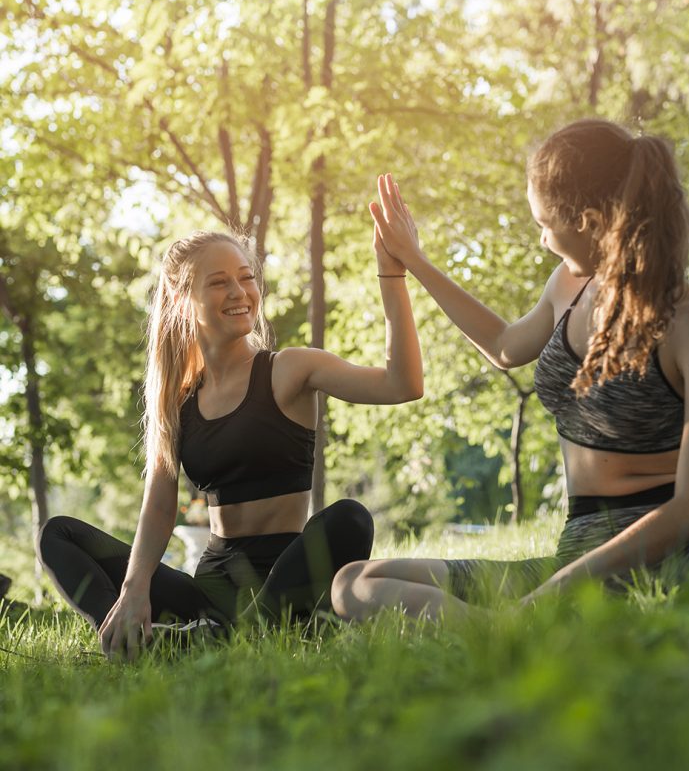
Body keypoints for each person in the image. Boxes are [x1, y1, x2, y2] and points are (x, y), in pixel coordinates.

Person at [332, 120, 689, 620]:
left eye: (544, 225)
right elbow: (504, 345)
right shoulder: (568, 286)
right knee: (353, 582)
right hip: (580, 554)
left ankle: (682, 614)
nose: (542, 240)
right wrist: (412, 260)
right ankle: (507, 629)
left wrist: (552, 594)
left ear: (591, 221)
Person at [37, 177, 423, 659]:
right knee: (59, 535)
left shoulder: (289, 370)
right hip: (212, 590)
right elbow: (160, 507)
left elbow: (402, 384)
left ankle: (222, 641)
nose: (240, 292)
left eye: (246, 277)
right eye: (219, 282)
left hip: (288, 579)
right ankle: (128, 639)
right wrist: (135, 588)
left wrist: (393, 274)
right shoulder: (178, 400)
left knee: (349, 518)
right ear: (183, 299)